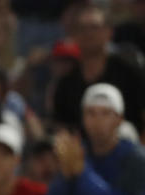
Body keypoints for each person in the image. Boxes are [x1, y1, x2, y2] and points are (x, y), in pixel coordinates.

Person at [44, 83, 145, 195]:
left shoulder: (135, 158)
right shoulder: (77, 154)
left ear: (119, 120)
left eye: (105, 113)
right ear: (83, 118)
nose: (98, 121)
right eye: (91, 113)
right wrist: (66, 176)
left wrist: (81, 172)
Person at [52, 5, 145, 134]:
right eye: (82, 28)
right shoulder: (66, 83)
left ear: (109, 32)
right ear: (73, 35)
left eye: (94, 27)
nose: (88, 34)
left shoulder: (130, 73)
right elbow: (61, 127)